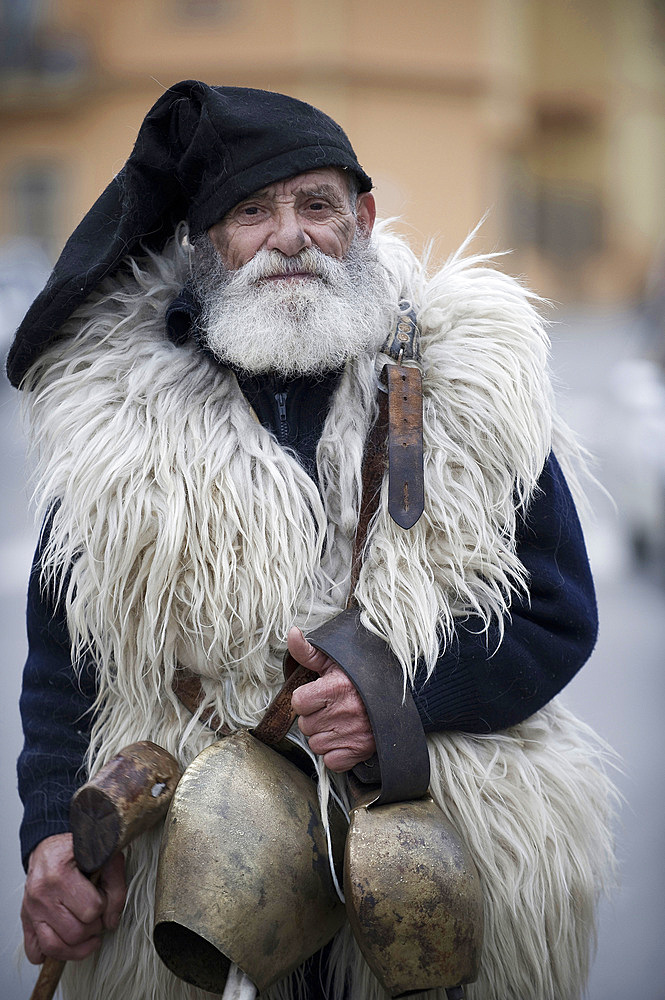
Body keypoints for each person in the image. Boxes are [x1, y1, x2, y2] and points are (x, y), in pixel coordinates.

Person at [8, 81, 615, 1000]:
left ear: (361, 219)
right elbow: (64, 666)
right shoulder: (112, 422)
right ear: (204, 242)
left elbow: (558, 614)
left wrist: (401, 700)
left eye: (316, 206)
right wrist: (54, 831)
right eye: (251, 211)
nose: (288, 237)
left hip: (435, 839)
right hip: (192, 869)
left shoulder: (471, 379)